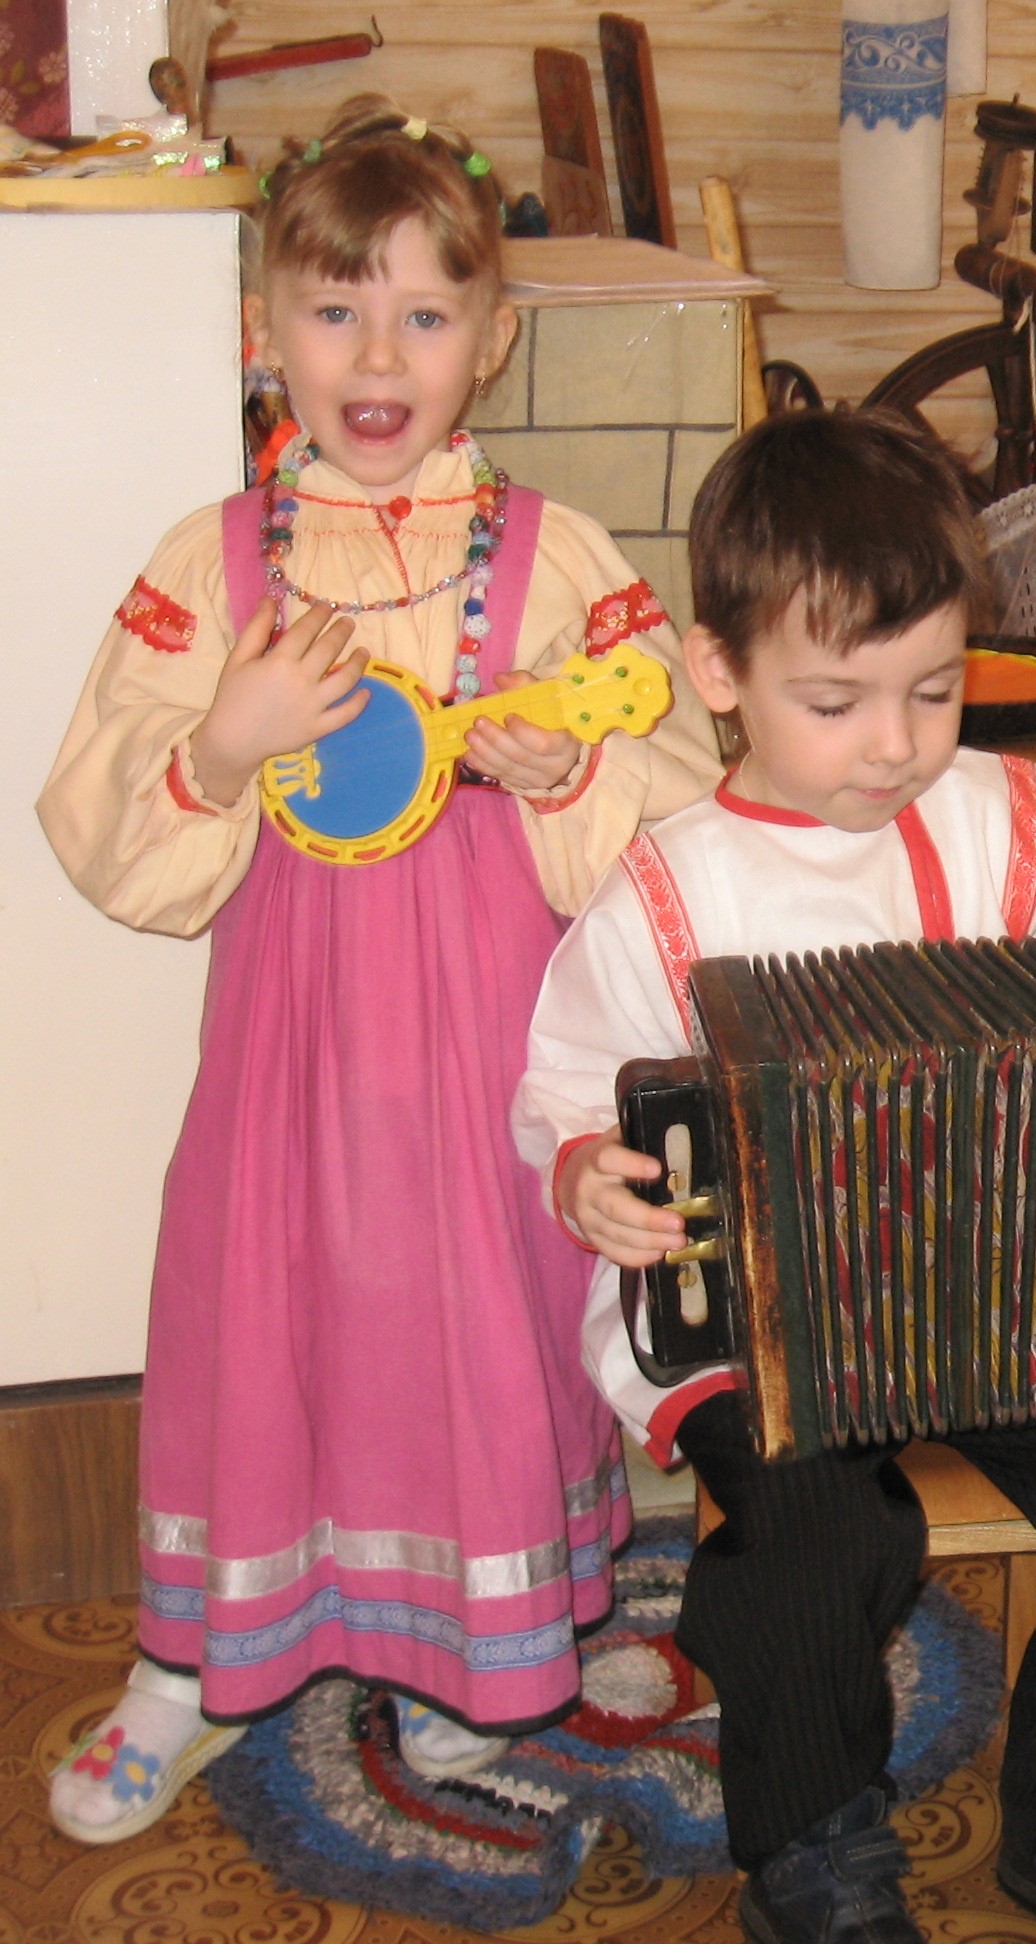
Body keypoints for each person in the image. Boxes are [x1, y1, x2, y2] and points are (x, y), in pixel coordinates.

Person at [35, 97, 722, 1843]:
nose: (377, 354)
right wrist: (225, 740)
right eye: (335, 310)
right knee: (261, 1300)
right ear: (263, 330)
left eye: (425, 313)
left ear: (491, 340)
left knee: (483, 1308)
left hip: (490, 1035)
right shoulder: (215, 564)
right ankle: (194, 1659)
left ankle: (494, 1635)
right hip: (292, 1044)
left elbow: (681, 799)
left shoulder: (555, 559)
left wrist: (570, 773)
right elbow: (100, 817)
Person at [513, 408, 1036, 1944]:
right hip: (760, 1320)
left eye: (934, 688)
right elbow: (570, 1090)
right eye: (835, 701)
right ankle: (812, 1845)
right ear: (721, 675)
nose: (896, 744)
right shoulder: (667, 888)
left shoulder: (1020, 823)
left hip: (1003, 1297)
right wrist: (586, 1170)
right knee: (824, 1534)